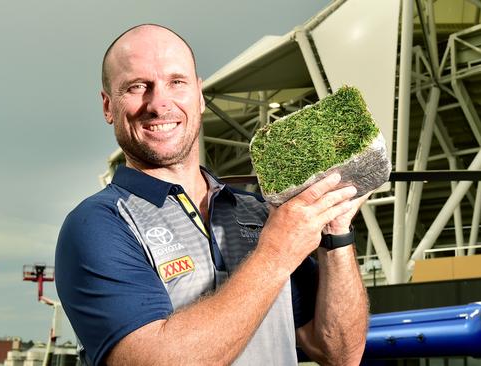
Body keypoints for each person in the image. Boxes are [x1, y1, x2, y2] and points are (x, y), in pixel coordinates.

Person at [56, 24, 369, 366]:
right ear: (108, 106)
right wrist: (277, 253)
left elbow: (340, 353)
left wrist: (336, 237)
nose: (159, 103)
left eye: (176, 82)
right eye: (137, 86)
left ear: (200, 95)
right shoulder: (99, 224)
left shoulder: (257, 213)